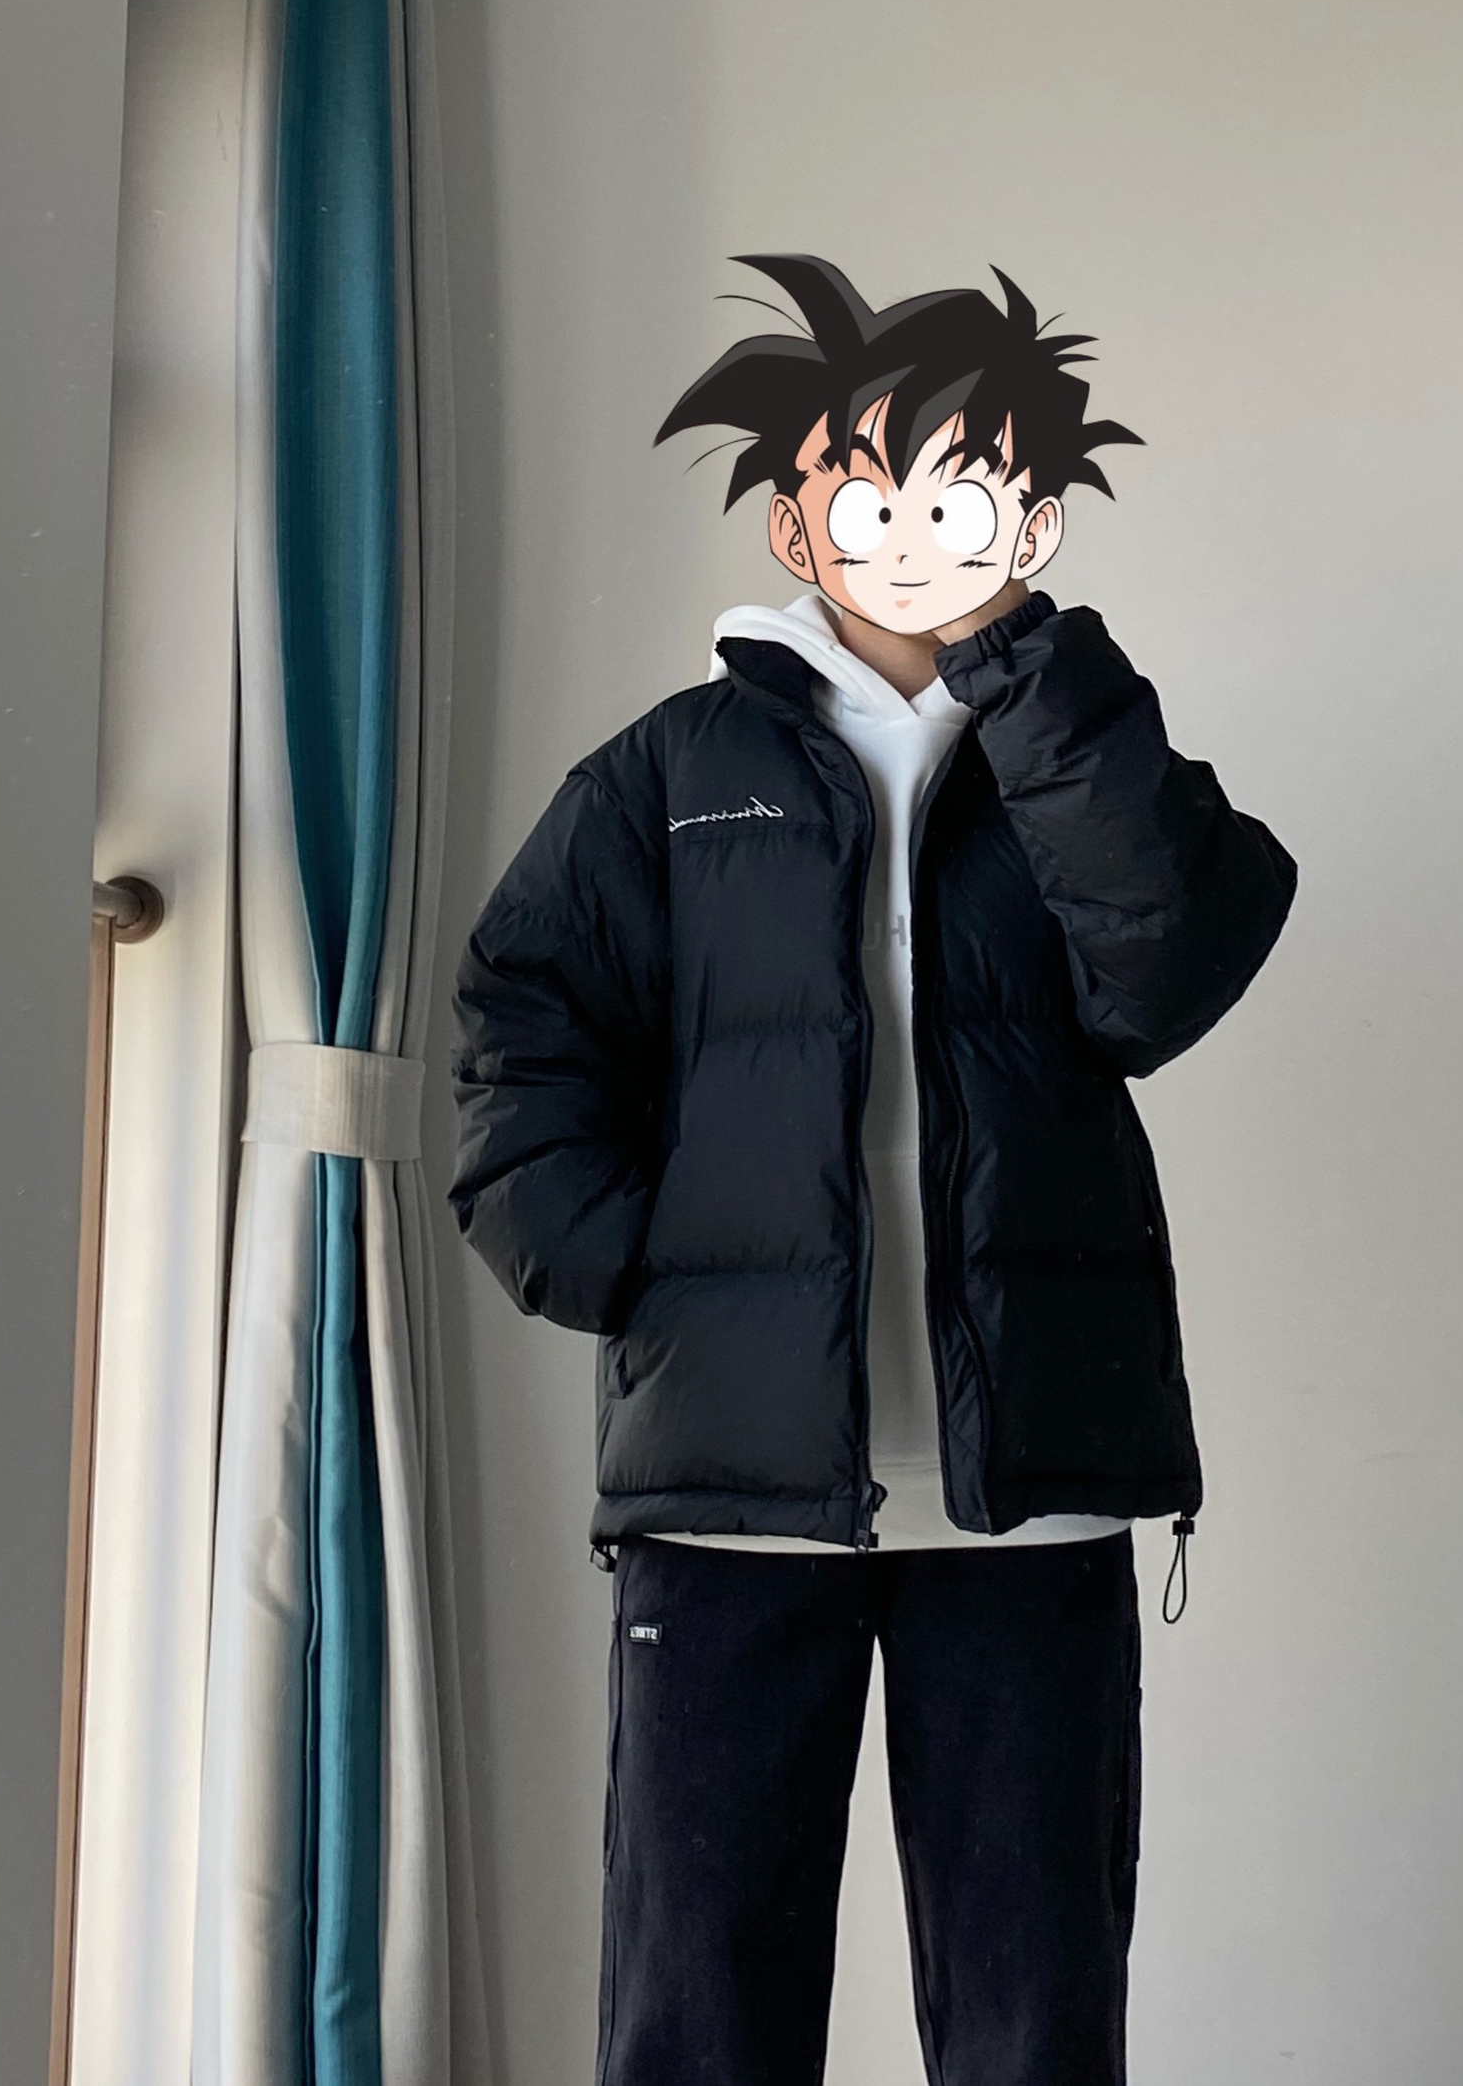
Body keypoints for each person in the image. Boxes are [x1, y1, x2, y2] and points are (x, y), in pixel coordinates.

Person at [450, 255, 1297, 2086]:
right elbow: (520, 1018)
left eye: (960, 495)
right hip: (728, 1497)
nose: (910, 534)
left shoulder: (1080, 758)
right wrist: (623, 1266)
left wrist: (1033, 687)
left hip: (1027, 1498)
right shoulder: (669, 773)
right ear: (795, 517)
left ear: (1033, 520)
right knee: (697, 2012)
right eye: (868, 492)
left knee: (1031, 2017)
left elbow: (1165, 972)